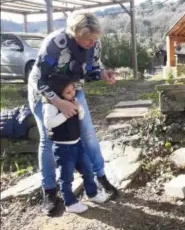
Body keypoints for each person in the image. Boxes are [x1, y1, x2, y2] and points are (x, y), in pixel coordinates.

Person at [28, 11, 118, 216]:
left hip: (72, 91)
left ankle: (100, 178)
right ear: (73, 33)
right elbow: (38, 79)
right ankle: (50, 192)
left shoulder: (94, 43)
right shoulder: (55, 43)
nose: (91, 43)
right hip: (45, 94)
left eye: (94, 39)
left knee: (87, 134)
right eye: (87, 39)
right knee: (48, 139)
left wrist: (103, 74)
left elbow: (92, 69)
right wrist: (58, 103)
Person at [43, 74, 109, 213]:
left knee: (88, 170)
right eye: (68, 92)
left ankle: (92, 193)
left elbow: (81, 116)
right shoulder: (51, 106)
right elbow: (49, 123)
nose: (72, 93)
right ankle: (70, 203)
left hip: (78, 144)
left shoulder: (74, 100)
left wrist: (79, 108)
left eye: (73, 90)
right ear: (57, 93)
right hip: (63, 148)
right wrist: (65, 113)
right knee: (66, 177)